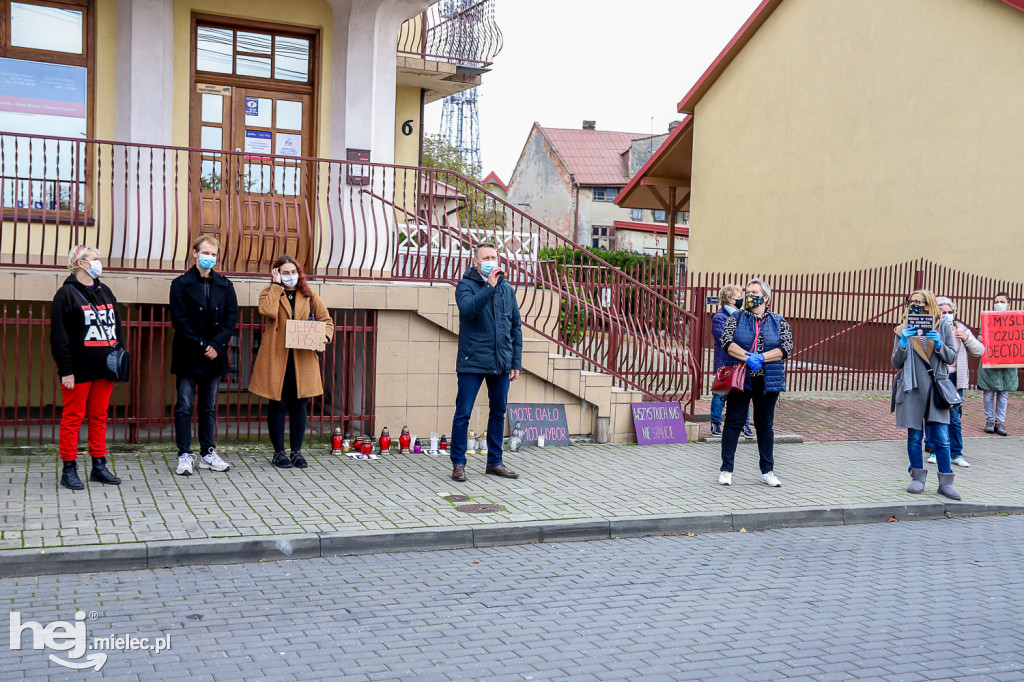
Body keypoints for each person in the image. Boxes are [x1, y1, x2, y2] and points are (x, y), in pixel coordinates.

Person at [248, 255, 334, 469]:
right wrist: (277, 286)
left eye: (293, 272)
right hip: (277, 357)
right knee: (277, 404)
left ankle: (296, 451)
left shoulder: (310, 295)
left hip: (302, 359)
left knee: (300, 405)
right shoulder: (268, 293)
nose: (290, 276)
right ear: (276, 274)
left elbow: (327, 322)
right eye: (285, 272)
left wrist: (324, 337)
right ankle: (278, 453)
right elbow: (267, 311)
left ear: (299, 274)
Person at [49, 245, 123, 490]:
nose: (99, 262)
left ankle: (99, 466)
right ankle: (69, 469)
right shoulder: (65, 295)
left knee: (99, 417)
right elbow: (59, 337)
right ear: (81, 263)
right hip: (79, 370)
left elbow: (116, 327)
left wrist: (118, 355)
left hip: (105, 368)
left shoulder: (105, 291)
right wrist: (66, 370)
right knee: (73, 419)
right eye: (95, 259)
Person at [449, 243, 522, 482]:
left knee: (498, 413)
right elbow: (469, 309)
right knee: (463, 413)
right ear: (476, 263)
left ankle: (495, 462)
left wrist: (515, 362)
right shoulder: (465, 286)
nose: (491, 260)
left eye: (494, 256)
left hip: (500, 361)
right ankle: (458, 463)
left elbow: (515, 327)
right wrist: (489, 286)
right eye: (486, 257)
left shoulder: (507, 289)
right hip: (473, 360)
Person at [169, 235, 238, 476]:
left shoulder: (225, 285)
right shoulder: (180, 284)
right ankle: (184, 455)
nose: (210, 258)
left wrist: (216, 344)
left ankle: (208, 452)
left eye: (214, 254)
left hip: (214, 355)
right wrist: (201, 344)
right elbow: (180, 320)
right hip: (189, 353)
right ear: (195, 253)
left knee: (208, 407)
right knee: (184, 406)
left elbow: (230, 320)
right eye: (206, 253)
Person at [717, 278, 793, 487]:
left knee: (765, 426)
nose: (749, 296)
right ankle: (726, 470)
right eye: (747, 292)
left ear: (765, 297)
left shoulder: (778, 321)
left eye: (754, 292)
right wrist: (747, 357)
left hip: (768, 380)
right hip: (742, 378)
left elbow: (786, 347)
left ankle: (767, 471)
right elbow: (726, 342)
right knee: (733, 423)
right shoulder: (737, 317)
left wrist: (762, 357)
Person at [890, 289, 960, 500]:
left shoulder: (943, 326)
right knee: (914, 437)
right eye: (912, 301)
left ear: (930, 305)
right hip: (912, 387)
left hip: (935, 388)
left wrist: (938, 344)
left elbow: (951, 357)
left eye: (920, 302)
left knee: (941, 437)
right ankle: (917, 478)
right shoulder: (902, 329)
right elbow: (895, 362)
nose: (916, 305)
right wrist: (903, 342)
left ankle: (945, 482)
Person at [925, 297, 983, 467]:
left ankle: (956, 453)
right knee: (935, 415)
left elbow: (979, 350)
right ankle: (935, 451)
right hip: (937, 377)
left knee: (955, 418)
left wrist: (967, 338)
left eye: (950, 312)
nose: (948, 315)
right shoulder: (932, 329)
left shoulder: (961, 329)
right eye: (944, 312)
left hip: (955, 379)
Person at [710, 284, 752, 438]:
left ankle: (744, 424)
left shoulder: (745, 315)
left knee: (744, 392)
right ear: (729, 299)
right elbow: (723, 339)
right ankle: (715, 423)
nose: (742, 299)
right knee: (721, 393)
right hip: (726, 361)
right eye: (739, 297)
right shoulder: (720, 317)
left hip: (742, 360)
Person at [977, 292, 1017, 436]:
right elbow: (981, 338)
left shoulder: (1014, 320)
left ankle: (1000, 422)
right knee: (988, 394)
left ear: (1008, 304)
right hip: (990, 361)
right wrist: (980, 338)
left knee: (1003, 394)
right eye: (996, 301)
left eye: (1002, 301)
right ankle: (989, 421)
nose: (998, 304)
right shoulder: (987, 318)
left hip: (1007, 363)